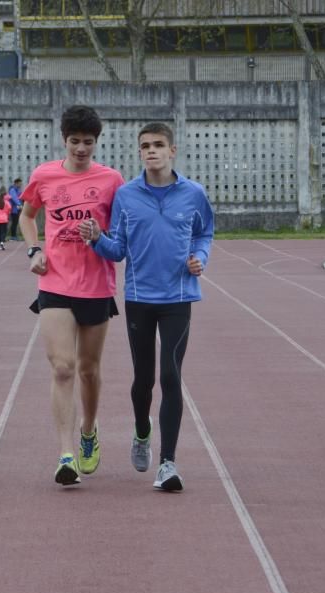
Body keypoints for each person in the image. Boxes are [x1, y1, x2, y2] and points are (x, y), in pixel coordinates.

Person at [79, 122, 214, 492]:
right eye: (144, 146)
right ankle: (142, 431)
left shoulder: (193, 194)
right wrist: (96, 240)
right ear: (139, 153)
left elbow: (204, 232)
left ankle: (168, 463)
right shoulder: (127, 196)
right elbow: (118, 249)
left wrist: (199, 257)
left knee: (171, 376)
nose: (151, 151)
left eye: (158, 145)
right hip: (139, 298)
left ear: (173, 151)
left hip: (179, 297)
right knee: (144, 380)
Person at [19, 105, 124, 486]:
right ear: (63, 139)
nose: (81, 148)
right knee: (62, 367)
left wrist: (101, 236)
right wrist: (34, 250)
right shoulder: (44, 175)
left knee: (88, 370)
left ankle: (89, 430)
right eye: (75, 141)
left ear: (97, 142)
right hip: (55, 283)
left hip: (96, 284)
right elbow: (27, 216)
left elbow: (122, 235)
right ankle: (65, 454)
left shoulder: (112, 180)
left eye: (88, 142)